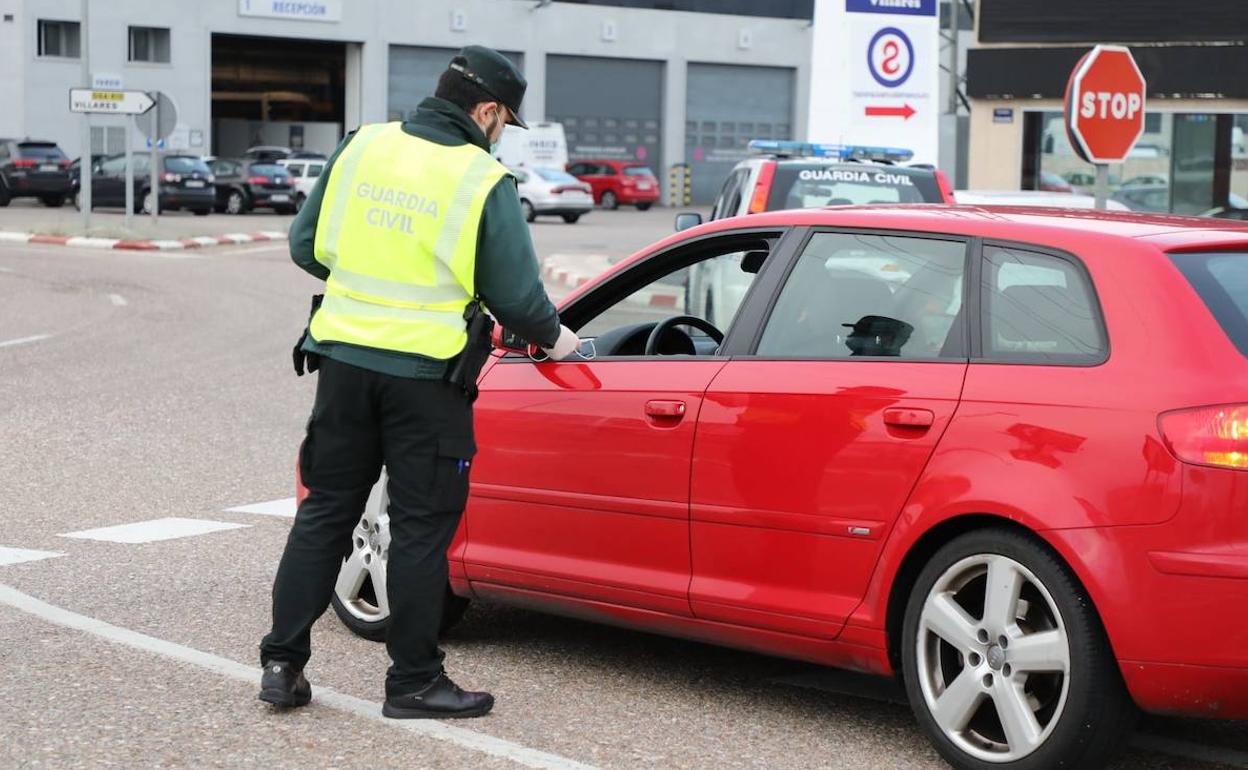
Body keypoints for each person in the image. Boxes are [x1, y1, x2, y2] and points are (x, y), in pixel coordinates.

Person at [258, 45, 581, 720]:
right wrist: (558, 339)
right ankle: (412, 683)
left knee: (324, 513)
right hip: (428, 382)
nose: (500, 135)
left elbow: (305, 245)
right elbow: (519, 302)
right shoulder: (480, 178)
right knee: (420, 531)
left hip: (343, 366)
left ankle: (282, 664)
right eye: (503, 122)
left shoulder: (363, 147)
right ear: (487, 111)